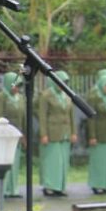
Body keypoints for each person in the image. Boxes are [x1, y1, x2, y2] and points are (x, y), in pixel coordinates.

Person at [37, 69, 77, 197]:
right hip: (52, 132)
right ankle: (49, 186)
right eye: (61, 82)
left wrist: (73, 132)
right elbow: (42, 116)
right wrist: (43, 134)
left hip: (65, 132)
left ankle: (60, 186)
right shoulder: (45, 95)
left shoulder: (67, 95)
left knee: (63, 161)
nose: (63, 85)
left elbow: (71, 115)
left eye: (65, 83)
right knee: (52, 160)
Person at [0, 71, 25, 198]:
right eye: (16, 85)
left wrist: (23, 134)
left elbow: (23, 117)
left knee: (14, 161)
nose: (17, 88)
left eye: (20, 86)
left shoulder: (20, 98)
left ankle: (13, 189)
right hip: (4, 135)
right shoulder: (0, 97)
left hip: (16, 134)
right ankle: (1, 189)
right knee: (2, 159)